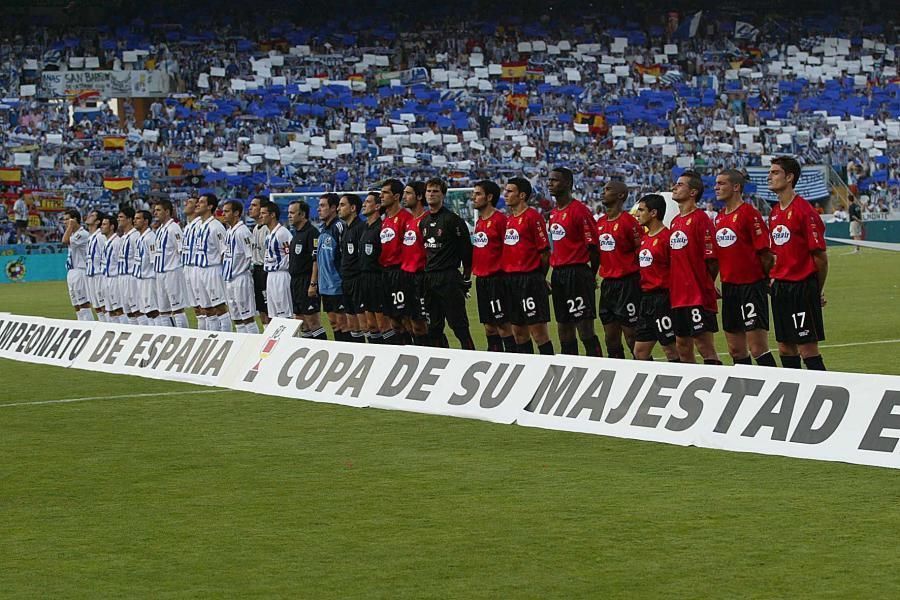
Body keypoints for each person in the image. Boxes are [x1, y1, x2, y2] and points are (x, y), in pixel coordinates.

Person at [767, 156, 828, 370]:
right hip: (781, 288)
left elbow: (820, 257)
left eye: (775, 172)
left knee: (807, 349)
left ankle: (821, 393)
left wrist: (815, 290)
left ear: (790, 177)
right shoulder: (774, 213)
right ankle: (795, 397)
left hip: (802, 287)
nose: (769, 176)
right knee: (785, 347)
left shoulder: (805, 211)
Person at [713, 169, 776, 367]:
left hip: (751, 287)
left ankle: (773, 385)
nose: (716, 187)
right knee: (735, 350)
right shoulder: (719, 218)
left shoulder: (749, 213)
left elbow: (766, 254)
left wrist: (762, 279)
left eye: (722, 183)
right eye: (716, 183)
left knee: (757, 348)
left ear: (736, 187)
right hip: (729, 289)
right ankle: (748, 392)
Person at [548, 167, 603, 357]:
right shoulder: (553, 213)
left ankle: (596, 367)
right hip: (558, 274)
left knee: (584, 328)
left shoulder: (580, 211)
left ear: (568, 184)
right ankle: (570, 368)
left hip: (577, 274)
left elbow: (594, 248)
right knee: (563, 327)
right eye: (549, 180)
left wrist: (590, 274)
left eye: (555, 180)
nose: (550, 183)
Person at [669, 171, 722, 364]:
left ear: (693, 192)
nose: (674, 187)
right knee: (682, 346)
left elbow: (712, 260)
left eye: (680, 184)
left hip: (697, 295)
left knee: (704, 346)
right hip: (678, 296)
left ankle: (716, 386)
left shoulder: (701, 219)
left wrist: (706, 283)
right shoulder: (675, 222)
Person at [420, 177, 476, 350]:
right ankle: (440, 361)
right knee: (434, 328)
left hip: (448, 278)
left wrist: (465, 278)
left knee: (459, 326)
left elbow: (467, 252)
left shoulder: (453, 220)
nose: (431, 194)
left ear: (443, 195)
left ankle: (471, 357)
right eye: (429, 191)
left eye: (435, 191)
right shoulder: (423, 221)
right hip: (429, 278)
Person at [501, 177, 553, 355]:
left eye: (510, 191)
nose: (505, 195)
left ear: (522, 195)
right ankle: (528, 373)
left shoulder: (533, 217)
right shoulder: (509, 219)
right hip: (510, 281)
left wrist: (539, 278)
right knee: (518, 333)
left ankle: (550, 371)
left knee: (538, 332)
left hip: (530, 281)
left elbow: (545, 252)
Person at [595, 181, 643, 359]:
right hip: (608, 285)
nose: (603, 192)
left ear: (620, 195)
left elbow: (641, 251)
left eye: (608, 190)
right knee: (611, 338)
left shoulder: (629, 222)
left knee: (632, 337)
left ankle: (644, 373)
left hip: (627, 285)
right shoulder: (599, 223)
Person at [633, 195, 679, 362]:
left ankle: (680, 384)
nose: (637, 214)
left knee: (671, 349)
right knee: (640, 352)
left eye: (641, 210)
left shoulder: (667, 238)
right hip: (646, 300)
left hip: (663, 300)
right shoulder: (645, 239)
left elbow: (676, 270)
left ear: (653, 213)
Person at [472, 179, 514, 352]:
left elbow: (510, 251)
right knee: (489, 327)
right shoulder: (480, 221)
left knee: (503, 326)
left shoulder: (501, 220)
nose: (473, 197)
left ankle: (514, 362)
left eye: (478, 193)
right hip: (482, 280)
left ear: (489, 197)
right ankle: (495, 361)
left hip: (498, 280)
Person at [400, 181, 436, 346]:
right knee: (412, 323)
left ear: (420, 196)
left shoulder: (427, 220)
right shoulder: (408, 221)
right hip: (407, 277)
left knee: (425, 325)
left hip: (422, 278)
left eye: (408, 193)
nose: (404, 197)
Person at [378, 179, 413, 345]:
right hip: (385, 274)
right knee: (393, 321)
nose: (381, 196)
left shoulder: (406, 218)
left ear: (396, 196)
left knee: (406, 318)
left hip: (400, 273)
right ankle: (402, 353)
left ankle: (415, 352)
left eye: (385, 193)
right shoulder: (384, 220)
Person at [288, 200, 326, 339]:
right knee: (301, 322)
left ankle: (323, 350)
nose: (289, 216)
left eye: (292, 213)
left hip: (307, 280)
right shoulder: (296, 234)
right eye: (289, 213)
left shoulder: (312, 232)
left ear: (302, 214)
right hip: (295, 282)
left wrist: (313, 284)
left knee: (313, 321)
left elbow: (315, 260)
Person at [221, 200, 259, 334]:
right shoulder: (229, 231)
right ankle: (242, 347)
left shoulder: (242, 231)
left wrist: (243, 271)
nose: (223, 214)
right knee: (236, 318)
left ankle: (253, 346)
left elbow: (251, 256)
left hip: (241, 278)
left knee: (247, 317)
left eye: (226, 211)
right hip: (229, 279)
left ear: (236, 213)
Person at [194, 194, 231, 331]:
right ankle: (212, 338)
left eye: (202, 202)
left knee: (220, 308)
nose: (198, 204)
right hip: (200, 270)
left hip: (213, 270)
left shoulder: (216, 226)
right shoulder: (200, 226)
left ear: (210, 206)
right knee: (207, 310)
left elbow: (224, 252)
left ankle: (226, 338)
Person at [316, 193, 350, 341]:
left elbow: (344, 256)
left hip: (337, 284)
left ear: (333, 208)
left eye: (323, 206)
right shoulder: (323, 229)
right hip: (325, 286)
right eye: (319, 206)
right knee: (333, 324)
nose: (319, 209)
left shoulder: (339, 227)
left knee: (344, 324)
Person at [153, 198, 190, 328]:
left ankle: (183, 335)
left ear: (167, 211)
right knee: (163, 311)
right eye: (155, 210)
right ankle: (168, 337)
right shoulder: (160, 229)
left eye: (158, 210)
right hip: (160, 273)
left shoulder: (174, 228)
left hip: (172, 272)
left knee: (177, 309)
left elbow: (182, 251)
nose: (155, 213)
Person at [359, 192, 390, 343]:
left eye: (368, 202)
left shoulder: (382, 228)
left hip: (377, 279)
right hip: (364, 279)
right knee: (371, 325)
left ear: (377, 206)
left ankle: (391, 355)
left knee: (383, 324)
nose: (364, 204)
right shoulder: (365, 227)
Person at [338, 193, 367, 342]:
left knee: (366, 325)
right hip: (347, 281)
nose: (338, 208)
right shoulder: (345, 229)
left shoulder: (361, 228)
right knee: (352, 326)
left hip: (358, 281)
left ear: (353, 208)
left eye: (342, 205)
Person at [261, 201, 293, 319]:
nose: (261, 216)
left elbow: (290, 255)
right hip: (271, 276)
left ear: (272, 215)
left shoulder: (282, 233)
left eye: (263, 213)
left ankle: (291, 337)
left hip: (281, 276)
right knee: (274, 316)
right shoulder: (269, 235)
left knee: (285, 315)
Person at [61, 208, 93, 321]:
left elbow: (64, 241)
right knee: (76, 305)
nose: (65, 222)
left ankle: (89, 326)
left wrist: (70, 226)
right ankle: (81, 326)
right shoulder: (73, 234)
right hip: (71, 271)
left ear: (74, 220)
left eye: (67, 220)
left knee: (83, 304)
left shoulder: (82, 234)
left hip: (80, 270)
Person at [133, 209, 160, 327]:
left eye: (138, 218)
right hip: (141, 279)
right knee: (146, 312)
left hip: (149, 279)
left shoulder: (150, 238)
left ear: (146, 221)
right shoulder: (140, 238)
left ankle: (160, 334)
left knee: (154, 311)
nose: (135, 221)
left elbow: (155, 261)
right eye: (135, 218)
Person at [117, 206, 142, 325]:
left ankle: (144, 333)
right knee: (129, 312)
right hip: (122, 277)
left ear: (129, 219)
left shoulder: (135, 236)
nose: (118, 219)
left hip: (131, 277)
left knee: (138, 310)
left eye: (121, 217)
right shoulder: (123, 237)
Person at [248, 195, 270, 325]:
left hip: (266, 271)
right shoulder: (256, 228)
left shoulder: (267, 229)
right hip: (257, 271)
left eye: (254, 205)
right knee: (261, 309)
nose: (250, 208)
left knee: (269, 310)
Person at [85, 210, 108, 322]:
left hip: (99, 275)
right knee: (97, 307)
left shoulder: (100, 237)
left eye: (93, 215)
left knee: (104, 306)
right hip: (91, 276)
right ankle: (103, 329)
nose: (89, 216)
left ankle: (111, 329)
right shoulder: (91, 237)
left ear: (98, 221)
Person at [101, 214, 125, 324]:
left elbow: (120, 262)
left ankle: (126, 332)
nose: (102, 226)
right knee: (110, 310)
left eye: (104, 224)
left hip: (115, 279)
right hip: (106, 278)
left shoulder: (117, 242)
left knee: (119, 309)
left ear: (111, 227)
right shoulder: (106, 242)